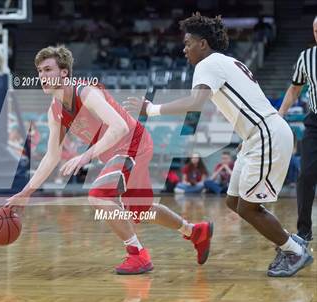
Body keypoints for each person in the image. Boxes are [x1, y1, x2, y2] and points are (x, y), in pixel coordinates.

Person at [125, 13, 312, 277]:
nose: (184, 48)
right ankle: (291, 242)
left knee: (248, 207)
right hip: (255, 136)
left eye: (188, 42)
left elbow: (195, 103)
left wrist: (151, 109)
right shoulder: (226, 61)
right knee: (234, 202)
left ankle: (294, 250)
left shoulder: (208, 63)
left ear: (203, 44)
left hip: (265, 133)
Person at [5, 45, 214, 274]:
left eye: (48, 69)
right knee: (140, 210)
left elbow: (120, 127)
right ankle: (195, 232)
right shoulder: (55, 111)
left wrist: (85, 156)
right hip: (118, 153)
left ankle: (138, 255)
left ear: (64, 72)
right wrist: (26, 192)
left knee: (98, 196)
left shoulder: (85, 92)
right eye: (40, 71)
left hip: (133, 143)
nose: (42, 76)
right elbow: (52, 155)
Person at [278, 17, 317, 242]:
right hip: (315, 122)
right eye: (315, 30)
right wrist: (280, 114)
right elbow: (294, 89)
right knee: (305, 176)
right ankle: (304, 230)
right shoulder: (306, 57)